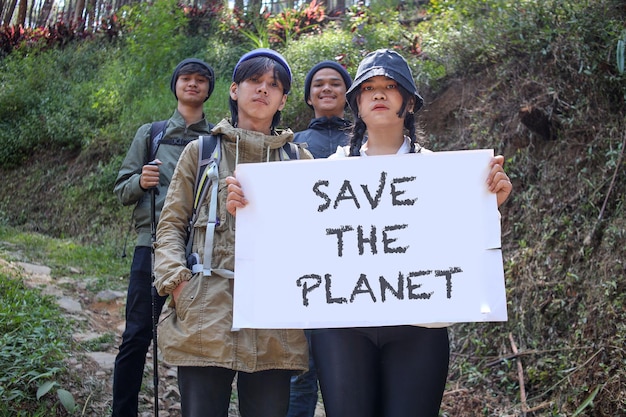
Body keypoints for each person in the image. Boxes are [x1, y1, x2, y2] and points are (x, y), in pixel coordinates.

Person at [226, 48, 512, 417]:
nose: (379, 94)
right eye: (369, 88)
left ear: (408, 102)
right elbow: (292, 243)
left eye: (390, 86)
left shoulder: (444, 175)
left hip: (420, 329)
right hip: (342, 329)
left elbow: (463, 249)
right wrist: (250, 209)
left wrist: (488, 206)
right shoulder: (323, 174)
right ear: (356, 103)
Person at [153, 48, 312, 417]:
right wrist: (179, 285)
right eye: (254, 81)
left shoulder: (300, 161)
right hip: (206, 312)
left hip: (275, 321)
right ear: (234, 89)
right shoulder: (201, 151)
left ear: (283, 99)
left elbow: (316, 235)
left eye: (273, 85)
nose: (263, 90)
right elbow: (171, 224)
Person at [112, 58, 216, 417]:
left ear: (209, 89)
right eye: (186, 78)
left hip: (201, 253)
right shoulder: (151, 134)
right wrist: (140, 182)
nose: (193, 84)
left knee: (199, 339)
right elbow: (121, 190)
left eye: (200, 80)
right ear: (175, 85)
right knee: (137, 336)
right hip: (151, 246)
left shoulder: (216, 138)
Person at [287, 60, 353, 417]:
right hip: (307, 278)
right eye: (318, 85)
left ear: (348, 95)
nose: (326, 89)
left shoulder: (368, 144)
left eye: (335, 84)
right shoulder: (293, 144)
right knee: (302, 373)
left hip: (361, 277)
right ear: (309, 97)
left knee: (353, 373)